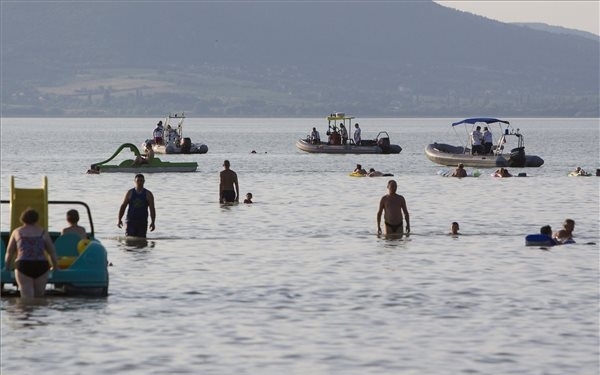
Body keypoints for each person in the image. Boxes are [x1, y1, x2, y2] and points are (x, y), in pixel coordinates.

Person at [4, 208, 59, 298]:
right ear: (37, 219)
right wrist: (56, 267)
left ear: (22, 218)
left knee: (26, 298)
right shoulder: (43, 232)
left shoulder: (17, 232)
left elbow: (9, 252)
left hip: (23, 265)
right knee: (39, 297)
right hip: (41, 265)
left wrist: (7, 267)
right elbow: (51, 252)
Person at [118, 174, 156, 238]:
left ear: (144, 181)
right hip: (131, 221)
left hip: (142, 222)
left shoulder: (148, 194)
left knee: (142, 242)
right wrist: (119, 219)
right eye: (138, 181)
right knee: (129, 240)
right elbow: (123, 206)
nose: (140, 182)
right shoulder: (130, 193)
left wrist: (153, 222)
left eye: (141, 181)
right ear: (135, 181)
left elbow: (152, 209)